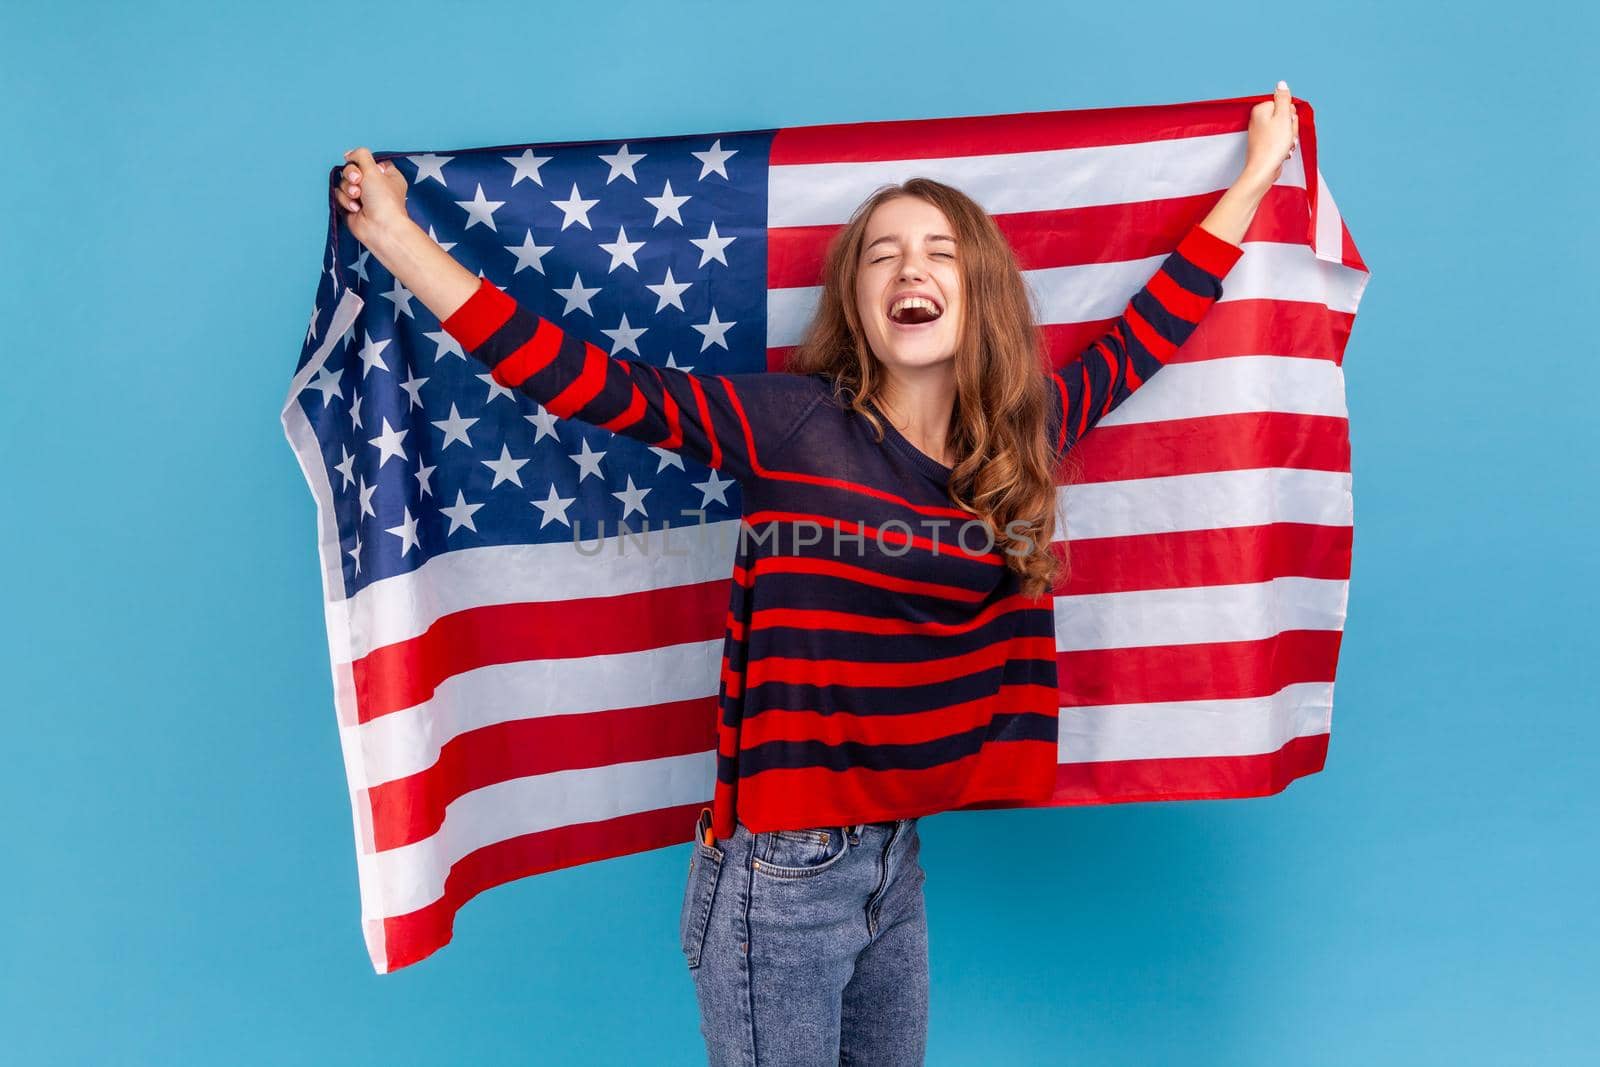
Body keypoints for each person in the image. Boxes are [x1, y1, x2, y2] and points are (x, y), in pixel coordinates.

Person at [334, 81, 1298, 1066]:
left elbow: (1151, 328)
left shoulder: (1018, 439)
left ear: (980, 293)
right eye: (881, 254)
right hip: (777, 875)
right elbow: (589, 381)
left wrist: (1257, 169)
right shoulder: (795, 423)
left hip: (894, 861)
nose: (908, 269)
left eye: (937, 252)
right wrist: (400, 240)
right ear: (856, 300)